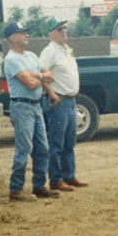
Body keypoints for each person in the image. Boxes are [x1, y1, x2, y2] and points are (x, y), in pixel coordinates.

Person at [2, 21, 61, 202]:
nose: (27, 35)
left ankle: (39, 185)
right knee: (25, 147)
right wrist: (40, 77)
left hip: (36, 105)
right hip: (22, 107)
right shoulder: (11, 59)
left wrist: (36, 76)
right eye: (22, 33)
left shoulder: (32, 56)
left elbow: (49, 76)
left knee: (42, 148)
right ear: (13, 38)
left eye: (26, 32)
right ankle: (16, 188)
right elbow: (30, 84)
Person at [39, 18, 89, 192]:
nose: (64, 31)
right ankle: (55, 179)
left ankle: (69, 175)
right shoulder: (49, 52)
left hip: (70, 101)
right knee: (56, 143)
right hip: (58, 102)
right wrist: (51, 93)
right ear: (51, 33)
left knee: (69, 142)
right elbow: (40, 74)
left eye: (65, 28)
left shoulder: (65, 50)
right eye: (60, 29)